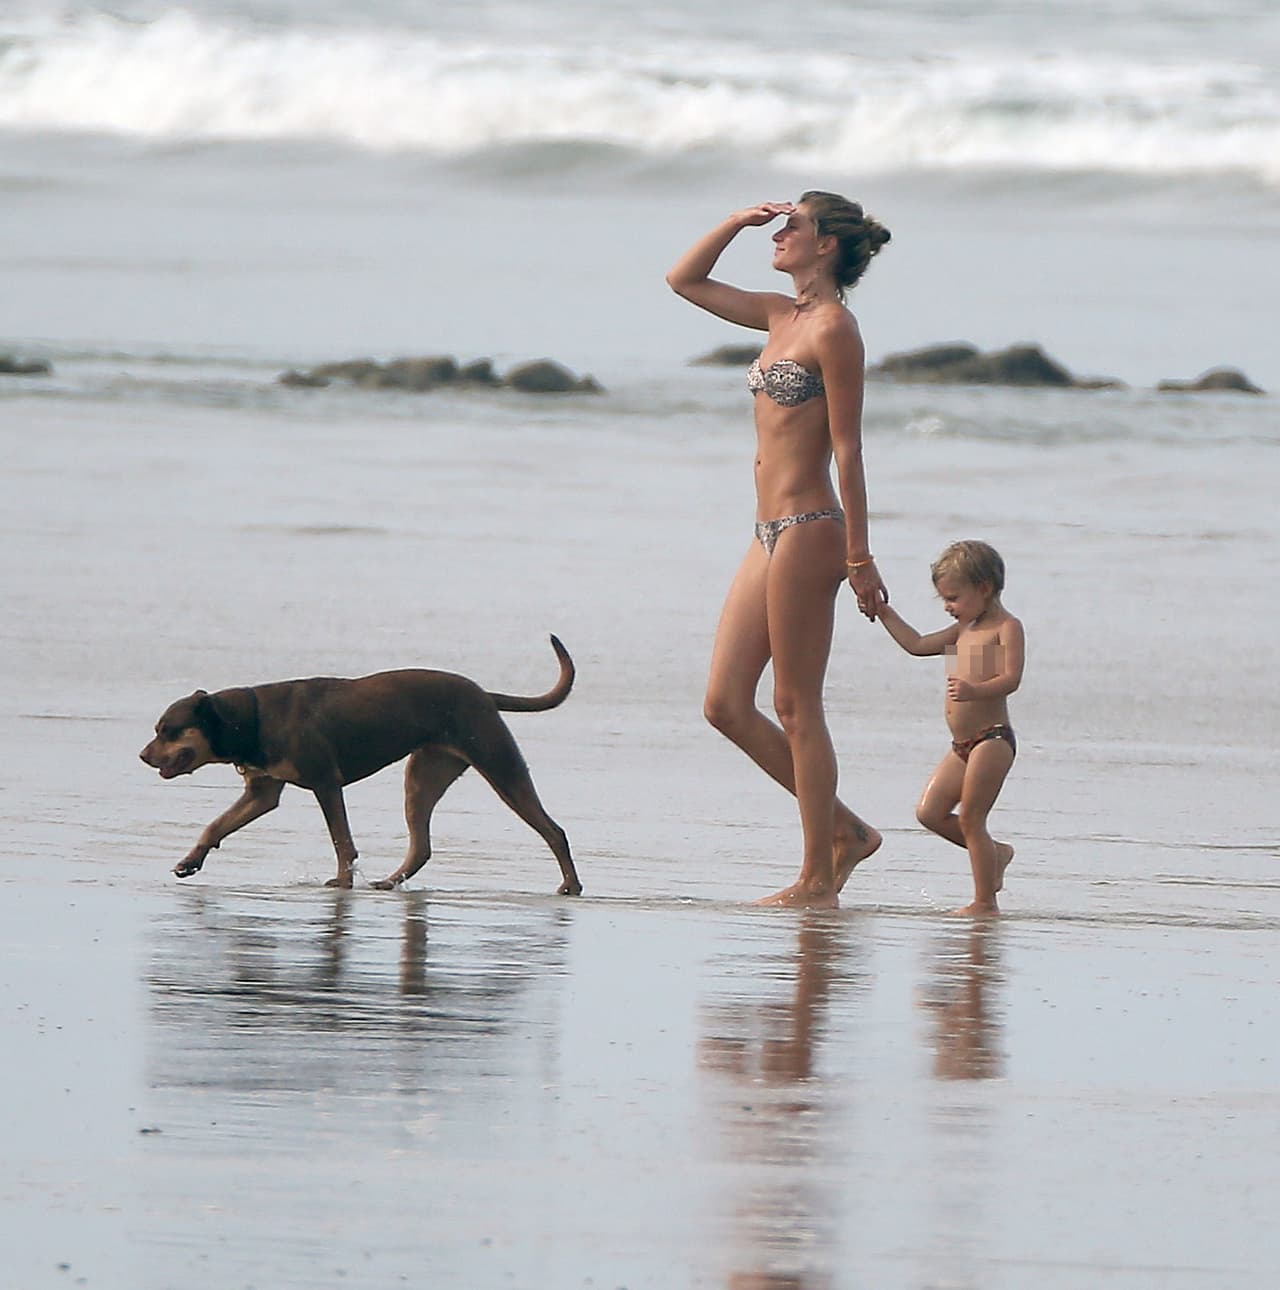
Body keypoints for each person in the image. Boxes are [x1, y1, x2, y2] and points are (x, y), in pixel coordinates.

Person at [666, 192, 891, 908]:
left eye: (794, 226)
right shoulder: (775, 314)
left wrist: (859, 556)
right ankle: (847, 832)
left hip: (812, 528)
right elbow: (685, 281)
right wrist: (734, 222)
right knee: (725, 704)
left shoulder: (835, 329)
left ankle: (818, 878)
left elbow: (850, 450)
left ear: (825, 246)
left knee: (796, 706)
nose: (781, 233)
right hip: (764, 533)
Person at [876, 541, 1025, 914]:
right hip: (961, 744)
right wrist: (883, 611)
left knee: (973, 818)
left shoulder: (1005, 628)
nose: (948, 606)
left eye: (954, 598)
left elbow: (1011, 679)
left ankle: (984, 902)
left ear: (985, 589)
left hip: (992, 738)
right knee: (930, 813)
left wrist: (976, 689)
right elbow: (917, 644)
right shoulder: (962, 631)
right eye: (944, 599)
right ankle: (995, 854)